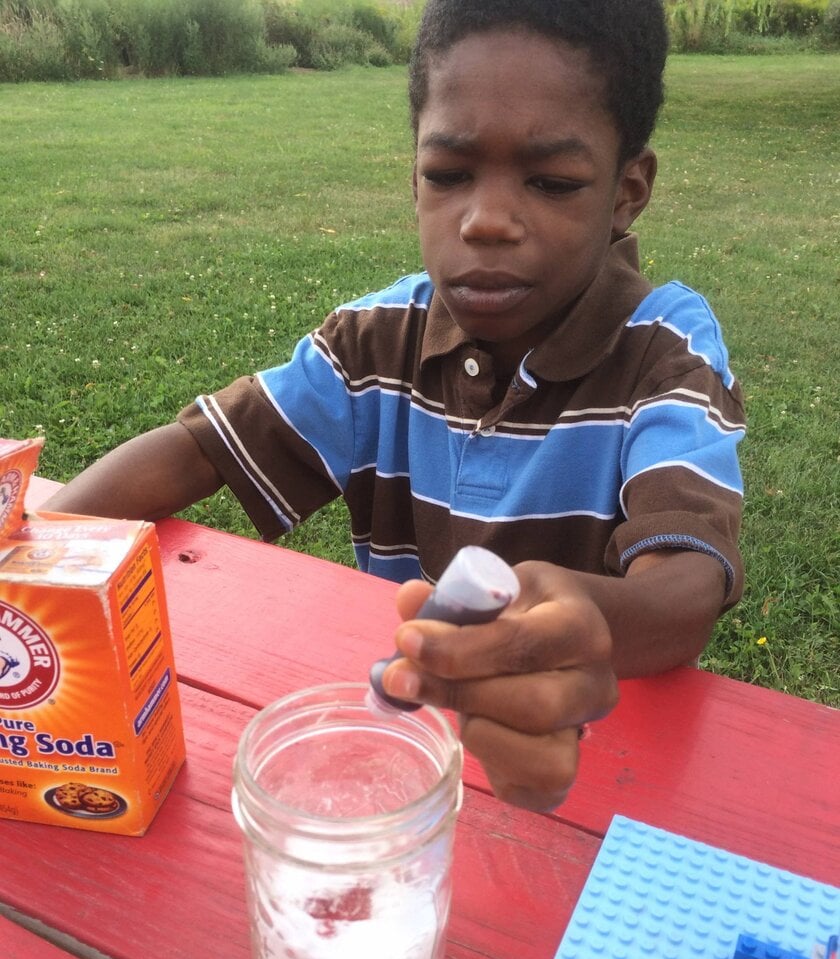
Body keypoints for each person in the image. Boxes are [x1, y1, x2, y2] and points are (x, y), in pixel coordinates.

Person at [42, 0, 746, 814]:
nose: (485, 221)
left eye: (552, 182)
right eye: (449, 175)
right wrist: (30, 562)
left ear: (628, 192)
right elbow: (196, 451)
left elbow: (688, 582)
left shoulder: (664, 348)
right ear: (413, 177)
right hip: (405, 746)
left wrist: (590, 619)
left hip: (599, 767)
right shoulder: (377, 341)